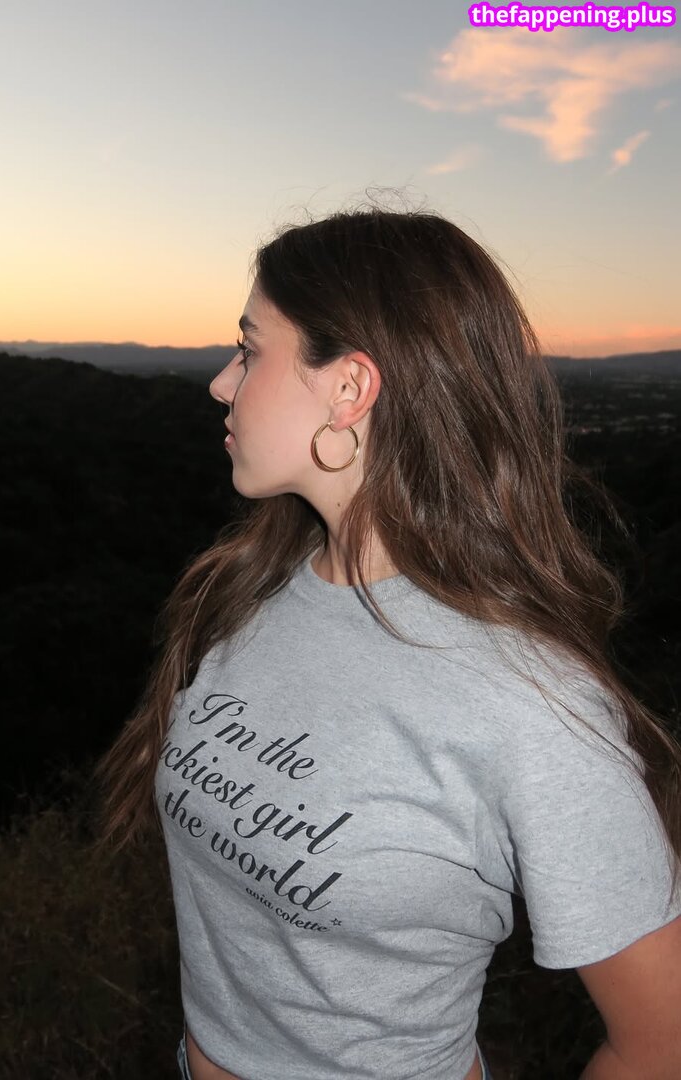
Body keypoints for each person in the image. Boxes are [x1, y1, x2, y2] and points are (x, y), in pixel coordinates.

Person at [92, 206, 681, 1080]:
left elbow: (661, 1042)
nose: (221, 383)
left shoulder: (530, 704)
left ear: (348, 388)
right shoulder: (251, 594)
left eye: (249, 349)